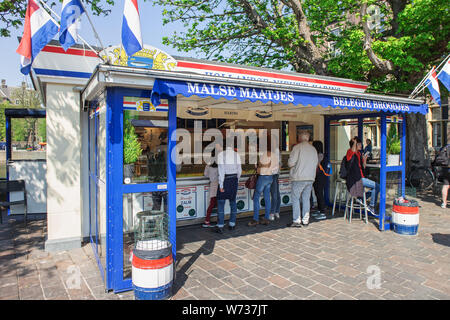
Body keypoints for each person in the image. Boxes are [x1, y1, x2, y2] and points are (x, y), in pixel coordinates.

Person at [287, 130, 318, 227]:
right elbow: (316, 163)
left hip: (299, 178)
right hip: (310, 178)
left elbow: (291, 163)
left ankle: (296, 220)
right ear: (308, 138)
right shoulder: (313, 149)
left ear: (300, 137)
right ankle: (305, 220)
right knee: (306, 199)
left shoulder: (297, 148)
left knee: (296, 199)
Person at [346, 137, 379, 213]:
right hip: (356, 179)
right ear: (355, 144)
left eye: (361, 143)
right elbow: (351, 154)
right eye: (359, 144)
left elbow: (363, 167)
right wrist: (354, 141)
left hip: (361, 178)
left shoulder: (359, 153)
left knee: (377, 187)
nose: (361, 145)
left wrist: (364, 159)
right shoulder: (350, 152)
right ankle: (371, 206)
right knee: (377, 186)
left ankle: (361, 199)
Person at [248, 144, 279, 227]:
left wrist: (259, 165)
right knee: (267, 198)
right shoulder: (275, 156)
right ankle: (266, 218)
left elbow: (257, 166)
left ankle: (255, 219)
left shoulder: (263, 155)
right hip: (270, 178)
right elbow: (276, 169)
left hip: (262, 177)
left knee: (256, 197)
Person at [215, 139, 242, 234]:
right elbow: (239, 170)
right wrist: (237, 180)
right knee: (233, 202)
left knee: (221, 202)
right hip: (234, 179)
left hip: (225, 180)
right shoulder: (237, 155)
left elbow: (221, 171)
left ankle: (220, 225)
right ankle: (232, 224)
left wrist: (221, 185)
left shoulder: (221, 155)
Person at [311, 140, 328, 220]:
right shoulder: (321, 154)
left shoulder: (319, 155)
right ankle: (319, 209)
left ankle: (322, 211)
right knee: (318, 193)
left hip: (319, 177)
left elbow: (315, 165)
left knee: (319, 193)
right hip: (320, 177)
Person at [202, 150, 218, 228]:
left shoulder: (208, 165)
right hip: (219, 185)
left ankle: (207, 220)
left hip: (212, 184)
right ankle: (219, 221)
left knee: (211, 203)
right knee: (219, 203)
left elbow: (205, 174)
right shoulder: (220, 165)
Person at [269, 146, 281, 221]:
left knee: (274, 194)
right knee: (277, 193)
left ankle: (272, 213)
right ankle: (276, 211)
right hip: (276, 173)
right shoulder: (277, 150)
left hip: (272, 174)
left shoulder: (274, 150)